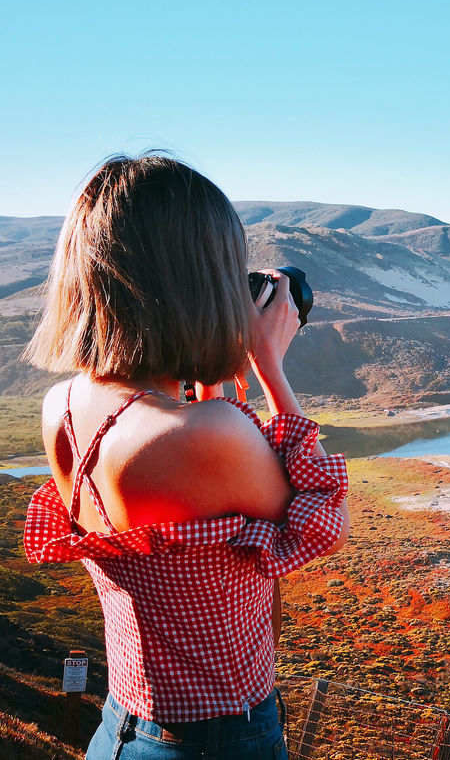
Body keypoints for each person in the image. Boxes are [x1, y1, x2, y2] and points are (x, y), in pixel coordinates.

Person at [22, 153, 349, 759]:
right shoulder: (206, 432)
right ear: (194, 283)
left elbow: (180, 488)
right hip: (219, 738)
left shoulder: (62, 405)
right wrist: (270, 369)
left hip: (122, 728)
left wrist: (209, 384)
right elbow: (322, 522)